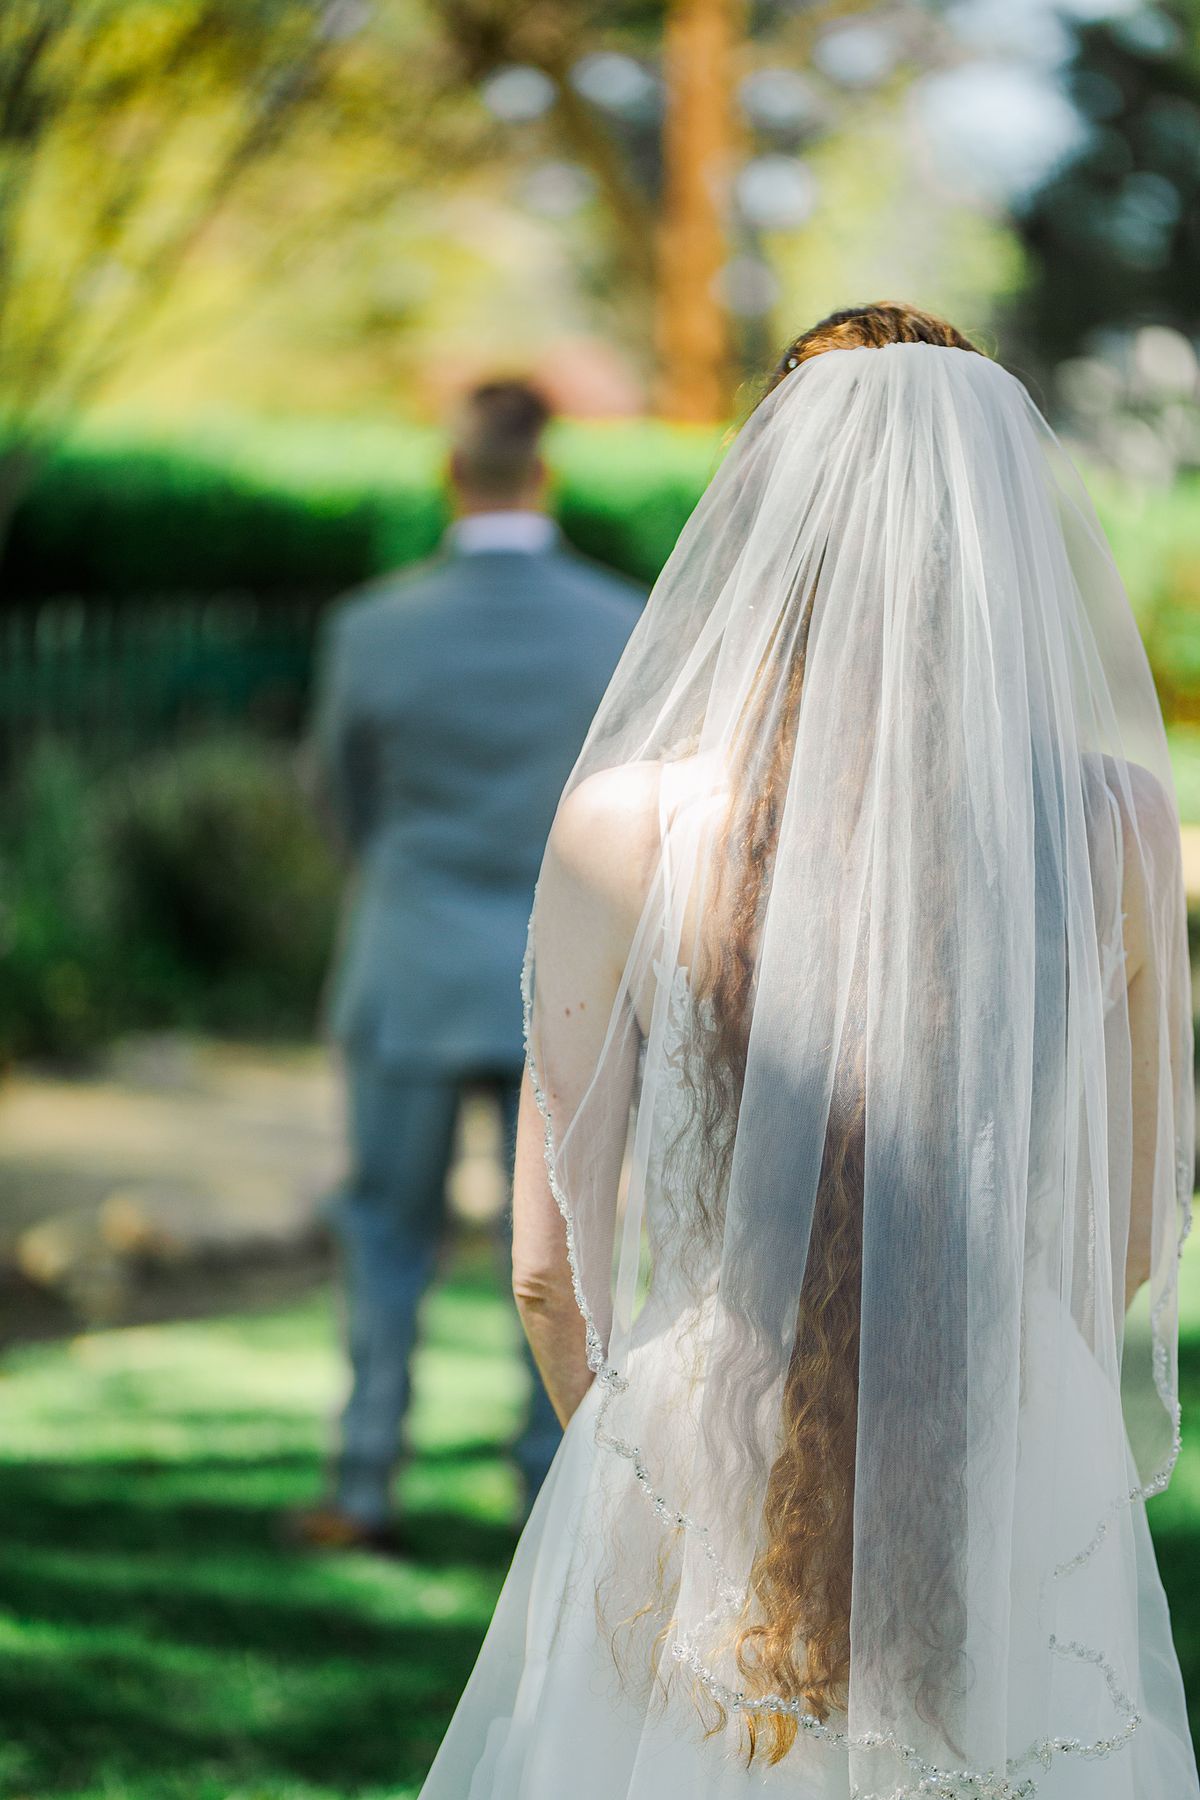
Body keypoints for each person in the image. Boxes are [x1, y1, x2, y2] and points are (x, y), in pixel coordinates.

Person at [420, 306, 1198, 1798]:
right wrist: (978, 1375)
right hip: (1007, 1425)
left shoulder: (628, 828)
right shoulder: (1113, 828)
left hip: (695, 1431)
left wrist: (635, 1478)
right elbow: (1139, 1217)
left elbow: (546, 1267)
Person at [298, 378, 643, 1552]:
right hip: (567, 978)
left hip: (407, 966)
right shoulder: (619, 622)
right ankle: (555, 1484)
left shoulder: (370, 627)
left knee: (383, 1231)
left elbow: (339, 800)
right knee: (560, 1245)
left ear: (452, 476)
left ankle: (363, 1480)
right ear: (547, 475)